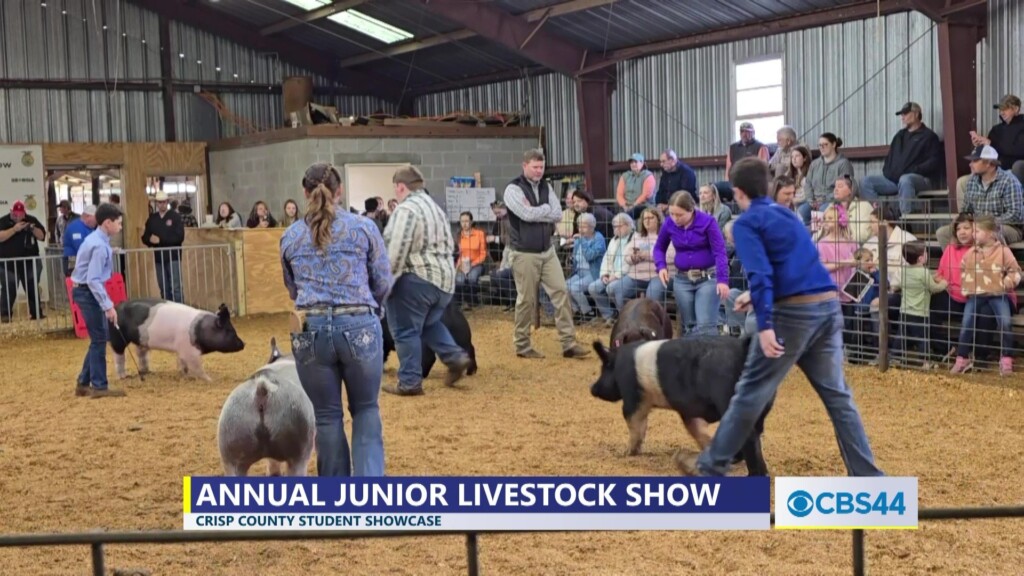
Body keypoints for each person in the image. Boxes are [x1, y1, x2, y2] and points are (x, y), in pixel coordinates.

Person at [675, 157, 884, 478]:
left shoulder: (745, 224)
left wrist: (767, 324)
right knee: (839, 397)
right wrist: (757, 296)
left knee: (749, 390)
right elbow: (801, 261)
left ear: (737, 192)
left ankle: (711, 465)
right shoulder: (787, 215)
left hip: (792, 315)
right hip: (826, 308)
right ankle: (869, 477)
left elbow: (759, 273)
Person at [280, 162, 392, 476]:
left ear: (304, 193)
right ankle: (371, 494)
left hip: (310, 330)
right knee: (366, 409)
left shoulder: (290, 236)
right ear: (340, 192)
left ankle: (336, 499)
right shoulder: (364, 228)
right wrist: (374, 310)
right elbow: (382, 281)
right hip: (358, 324)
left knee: (327, 416)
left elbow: (291, 288)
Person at [381, 166, 473, 395]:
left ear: (401, 186)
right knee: (429, 325)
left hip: (417, 280)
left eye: (396, 188)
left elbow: (396, 250)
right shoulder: (436, 209)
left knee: (404, 330)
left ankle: (410, 381)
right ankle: (454, 357)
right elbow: (453, 246)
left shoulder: (406, 210)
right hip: (444, 282)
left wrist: (384, 285)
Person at [504, 148, 590, 360]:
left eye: (541, 167)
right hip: (524, 252)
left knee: (561, 292)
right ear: (524, 166)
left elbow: (557, 213)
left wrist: (538, 212)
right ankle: (522, 345)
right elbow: (525, 214)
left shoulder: (546, 186)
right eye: (535, 167)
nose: (539, 171)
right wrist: (544, 211)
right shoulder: (512, 189)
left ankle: (568, 343)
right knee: (526, 300)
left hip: (547, 250)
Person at [70, 203, 126, 398]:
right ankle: (99, 386)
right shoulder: (99, 245)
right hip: (87, 292)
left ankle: (84, 383)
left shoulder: (98, 241)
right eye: (118, 223)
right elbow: (93, 279)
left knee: (98, 338)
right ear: (107, 223)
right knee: (100, 338)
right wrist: (108, 306)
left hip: (85, 291)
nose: (120, 227)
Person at [0, 200, 47, 320]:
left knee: (32, 287)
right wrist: (14, 229)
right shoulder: (4, 221)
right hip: (8, 264)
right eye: (16, 214)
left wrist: (33, 229)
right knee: (9, 287)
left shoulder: (31, 219)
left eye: (21, 214)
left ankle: (36, 313)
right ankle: (5, 315)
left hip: (29, 262)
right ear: (11, 212)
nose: (19, 217)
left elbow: (42, 236)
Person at [141, 191, 185, 303]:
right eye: (159, 202)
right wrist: (150, 241)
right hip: (159, 258)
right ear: (156, 203)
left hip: (173, 257)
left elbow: (180, 237)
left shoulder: (175, 217)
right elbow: (145, 237)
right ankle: (168, 311)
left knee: (176, 287)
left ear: (167, 202)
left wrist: (159, 241)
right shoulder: (152, 219)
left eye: (164, 202)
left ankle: (179, 311)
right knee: (164, 287)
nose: (162, 204)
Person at [62, 205, 97, 277]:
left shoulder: (90, 228)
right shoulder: (75, 227)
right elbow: (80, 247)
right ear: (88, 216)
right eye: (95, 219)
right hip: (74, 264)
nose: (97, 222)